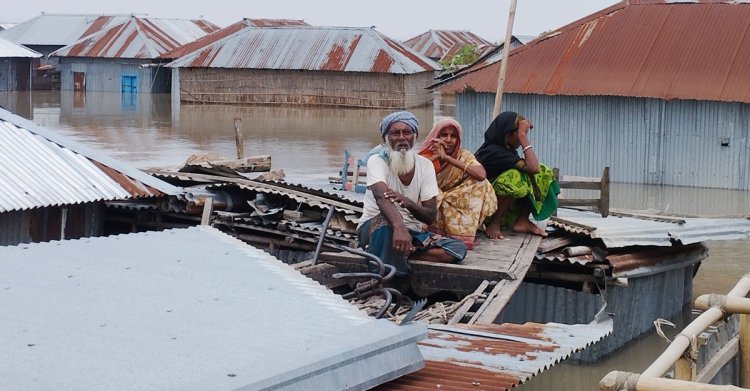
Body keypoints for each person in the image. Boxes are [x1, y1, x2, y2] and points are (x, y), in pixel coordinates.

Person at [357, 111, 467, 277]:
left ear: (415, 136)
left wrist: (407, 202)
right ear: (385, 138)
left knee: (457, 249)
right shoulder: (377, 161)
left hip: (410, 232)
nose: (402, 138)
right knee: (386, 226)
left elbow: (429, 216)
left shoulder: (425, 166)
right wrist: (399, 226)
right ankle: (384, 281)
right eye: (395, 133)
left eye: (407, 132)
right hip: (375, 227)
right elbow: (381, 197)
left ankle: (404, 251)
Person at [475, 111, 559, 239]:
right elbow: (532, 167)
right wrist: (523, 136)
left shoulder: (509, 151)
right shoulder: (492, 152)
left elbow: (536, 169)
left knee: (543, 171)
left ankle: (522, 220)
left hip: (506, 210)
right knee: (513, 177)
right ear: (507, 134)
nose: (521, 141)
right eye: (519, 136)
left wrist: (521, 135)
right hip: (485, 211)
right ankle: (494, 223)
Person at [417, 118, 497, 249]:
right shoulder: (425, 154)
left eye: (453, 136)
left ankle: (460, 234)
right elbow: (413, 176)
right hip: (431, 201)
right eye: (444, 135)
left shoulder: (463, 155)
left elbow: (481, 175)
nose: (448, 140)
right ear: (436, 136)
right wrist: (437, 157)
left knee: (482, 184)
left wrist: (448, 158)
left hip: (454, 200)